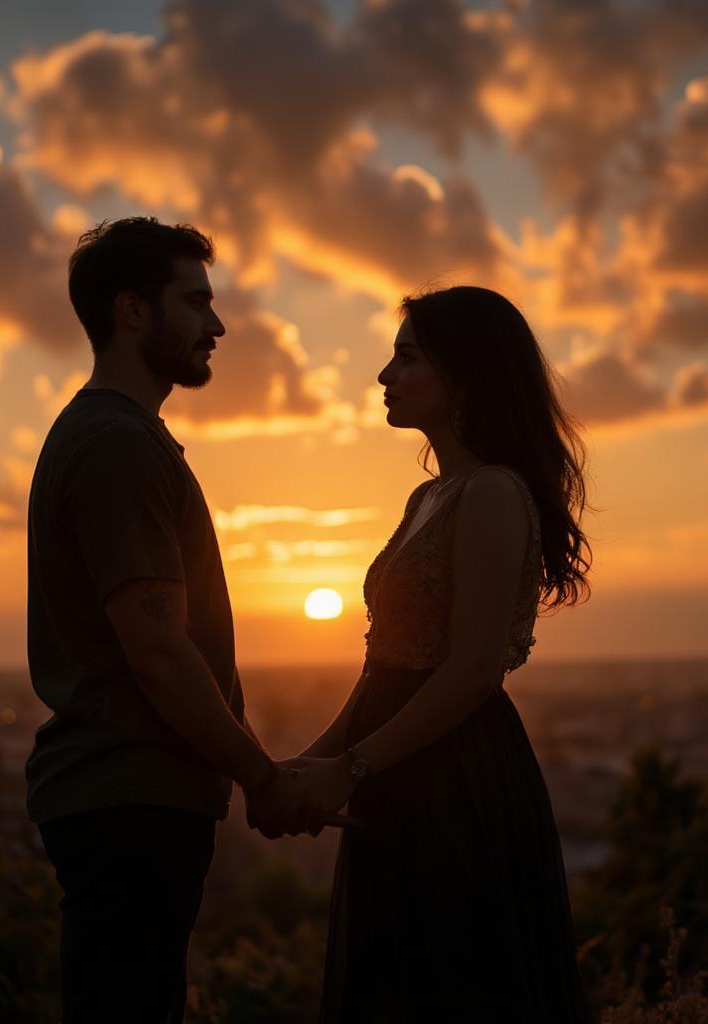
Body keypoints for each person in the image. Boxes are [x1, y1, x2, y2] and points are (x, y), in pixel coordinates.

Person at [24, 217, 311, 1023]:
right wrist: (262, 776)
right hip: (130, 797)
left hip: (131, 795)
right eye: (196, 302)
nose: (216, 327)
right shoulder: (118, 444)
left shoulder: (116, 437)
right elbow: (156, 644)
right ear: (134, 312)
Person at [285, 286, 596, 1022]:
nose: (384, 377)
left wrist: (349, 768)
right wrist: (309, 766)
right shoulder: (427, 497)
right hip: (397, 772)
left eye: (406, 358)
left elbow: (472, 670)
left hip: (457, 779)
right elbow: (384, 664)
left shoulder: (491, 493)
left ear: (466, 373)